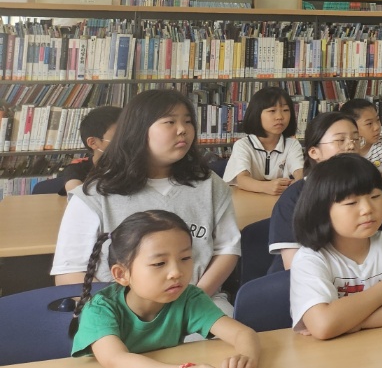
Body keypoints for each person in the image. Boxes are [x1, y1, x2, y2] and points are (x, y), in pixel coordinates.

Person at [51, 90, 240, 312]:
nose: (183, 129)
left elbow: (227, 248)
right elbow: (69, 273)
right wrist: (127, 311)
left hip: (197, 303)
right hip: (119, 311)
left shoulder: (210, 184)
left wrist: (194, 299)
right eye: (170, 122)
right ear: (138, 130)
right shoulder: (94, 195)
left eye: (188, 121)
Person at [70, 210, 259, 368]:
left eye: (185, 258)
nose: (176, 272)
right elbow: (117, 362)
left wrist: (246, 358)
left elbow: (243, 333)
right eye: (159, 263)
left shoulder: (188, 298)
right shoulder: (99, 309)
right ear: (122, 274)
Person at [289, 154, 382, 339]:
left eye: (375, 196)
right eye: (351, 202)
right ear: (321, 210)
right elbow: (323, 325)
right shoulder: (310, 258)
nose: (368, 209)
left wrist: (356, 323)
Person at [269, 111, 362, 270]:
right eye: (340, 140)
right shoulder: (295, 197)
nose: (351, 145)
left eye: (356, 138)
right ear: (314, 152)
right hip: (302, 279)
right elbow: (294, 268)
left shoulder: (365, 189)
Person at [223, 86, 304, 194]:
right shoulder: (243, 145)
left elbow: (299, 172)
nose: (280, 117)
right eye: (272, 111)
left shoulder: (292, 144)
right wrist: (267, 187)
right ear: (256, 114)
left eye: (285, 110)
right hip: (247, 200)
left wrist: (298, 181)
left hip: (279, 200)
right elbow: (242, 180)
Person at [341, 97, 382, 193]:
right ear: (351, 127)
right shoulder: (344, 147)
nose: (377, 127)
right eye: (369, 123)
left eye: (378, 120)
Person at [55, 105, 121, 194]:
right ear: (93, 142)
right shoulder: (77, 169)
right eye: (119, 136)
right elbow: (77, 194)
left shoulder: (132, 165)